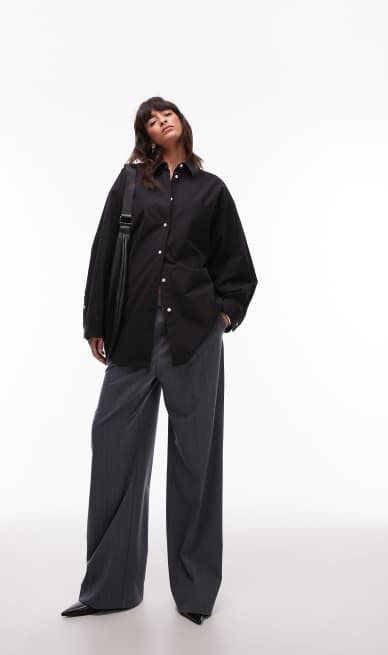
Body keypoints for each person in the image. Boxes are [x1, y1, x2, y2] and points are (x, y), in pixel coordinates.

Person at [61, 97, 258, 625]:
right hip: (131, 336)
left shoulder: (212, 190)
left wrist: (223, 317)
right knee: (114, 451)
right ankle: (110, 589)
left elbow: (237, 265)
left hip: (193, 338)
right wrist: (95, 321)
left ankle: (194, 594)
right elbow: (103, 251)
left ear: (182, 123)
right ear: (145, 134)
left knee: (196, 462)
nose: (161, 119)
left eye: (167, 112)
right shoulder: (130, 184)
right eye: (151, 118)